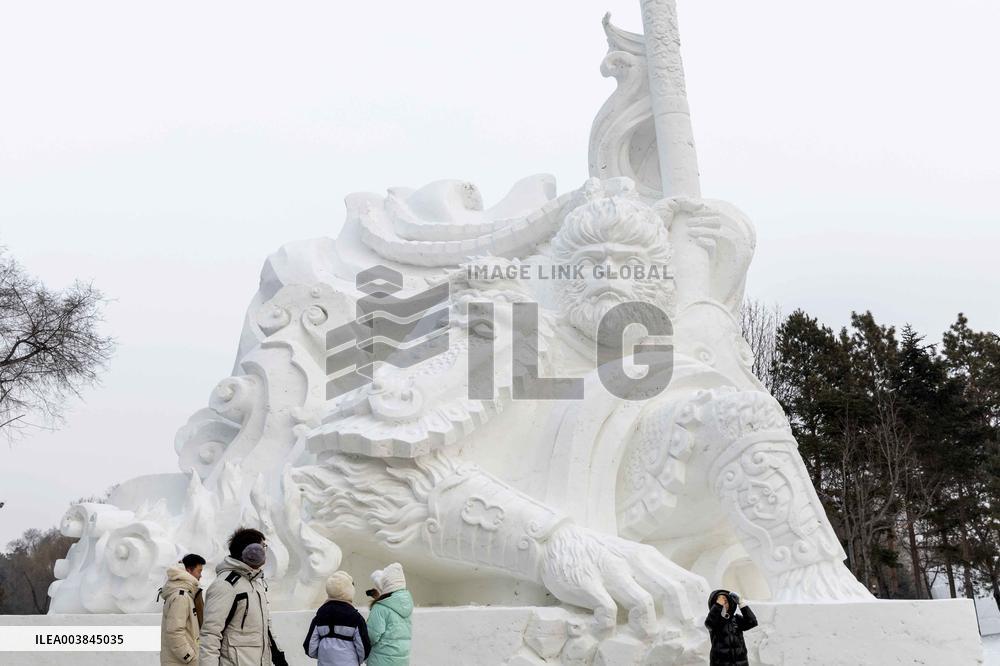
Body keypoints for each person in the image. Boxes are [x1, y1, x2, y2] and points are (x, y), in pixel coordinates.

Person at [199, 527, 288, 666]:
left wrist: (278, 657)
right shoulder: (225, 585)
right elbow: (210, 635)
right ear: (251, 550)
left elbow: (265, 629)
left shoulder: (255, 583)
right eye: (262, 546)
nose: (264, 551)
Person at [303, 571, 371, 666]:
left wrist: (325, 656)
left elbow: (310, 648)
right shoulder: (356, 618)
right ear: (350, 591)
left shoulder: (319, 617)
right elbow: (364, 649)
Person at [159, 553, 206, 665]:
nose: (200, 576)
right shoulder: (181, 596)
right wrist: (189, 657)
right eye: (199, 571)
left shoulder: (186, 594)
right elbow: (174, 632)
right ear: (189, 571)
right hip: (181, 662)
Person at [366, 563, 413, 666]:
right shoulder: (406, 605)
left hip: (381, 660)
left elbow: (371, 636)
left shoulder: (380, 607)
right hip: (402, 660)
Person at [705, 588, 758, 666]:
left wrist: (741, 604)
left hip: (741, 663)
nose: (723, 605)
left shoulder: (736, 619)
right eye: (720, 602)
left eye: (725, 602)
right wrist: (718, 605)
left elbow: (752, 622)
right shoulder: (714, 621)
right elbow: (709, 624)